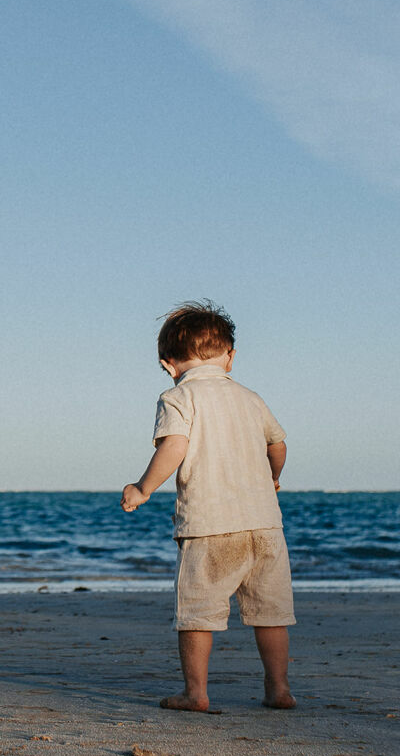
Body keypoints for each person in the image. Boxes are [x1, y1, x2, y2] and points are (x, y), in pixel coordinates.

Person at [120, 301, 293, 712]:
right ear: (230, 357)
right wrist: (273, 477)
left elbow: (174, 447)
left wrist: (143, 489)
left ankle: (195, 692)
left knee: (197, 613)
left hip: (209, 526)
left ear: (169, 364)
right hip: (265, 526)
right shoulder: (251, 398)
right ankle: (279, 687)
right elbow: (278, 444)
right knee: (271, 613)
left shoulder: (177, 396)